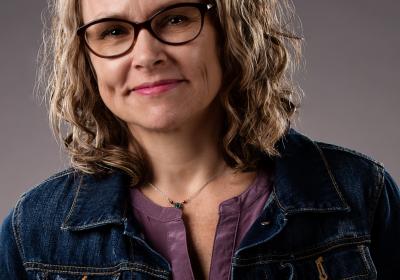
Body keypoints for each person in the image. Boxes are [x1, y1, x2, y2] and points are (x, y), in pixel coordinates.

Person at [1, 0, 399, 279]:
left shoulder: (360, 195)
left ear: (229, 28)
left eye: (175, 19)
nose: (146, 55)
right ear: (85, 57)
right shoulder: (35, 231)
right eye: (113, 31)